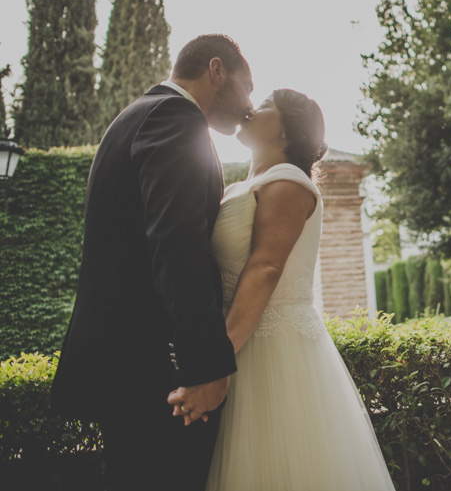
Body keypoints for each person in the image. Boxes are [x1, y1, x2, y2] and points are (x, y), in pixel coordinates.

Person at [50, 34, 255, 491]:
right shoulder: (174, 118)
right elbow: (176, 244)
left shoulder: (136, 115)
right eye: (247, 86)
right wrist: (207, 368)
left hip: (124, 367)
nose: (249, 104)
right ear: (216, 71)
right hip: (150, 375)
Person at [199, 89, 395, 490]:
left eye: (267, 105)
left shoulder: (289, 181)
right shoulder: (241, 186)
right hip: (242, 337)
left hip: (273, 346)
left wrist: (217, 356)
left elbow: (267, 267)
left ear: (286, 134)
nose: (254, 107)